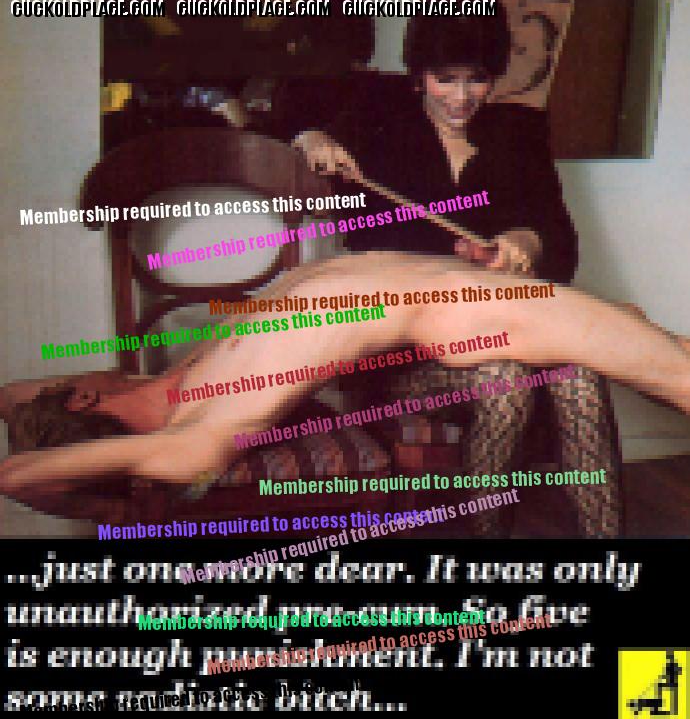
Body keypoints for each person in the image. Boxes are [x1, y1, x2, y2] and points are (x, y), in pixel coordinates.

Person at [293, 0, 622, 537]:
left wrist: (524, 242)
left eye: (478, 79)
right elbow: (282, 108)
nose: (461, 97)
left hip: (501, 329)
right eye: (445, 79)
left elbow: (559, 239)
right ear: (419, 74)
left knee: (580, 376)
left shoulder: (520, 131)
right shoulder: (377, 115)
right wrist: (310, 139)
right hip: (404, 350)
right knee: (505, 380)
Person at [1, 251, 689, 501]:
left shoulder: (179, 383)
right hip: (466, 311)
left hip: (461, 287)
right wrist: (54, 467)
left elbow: (10, 396)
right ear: (84, 399)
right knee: (677, 372)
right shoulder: (193, 436)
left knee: (654, 339)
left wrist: (34, 422)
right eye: (69, 386)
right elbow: (14, 474)